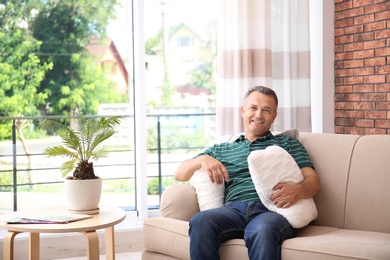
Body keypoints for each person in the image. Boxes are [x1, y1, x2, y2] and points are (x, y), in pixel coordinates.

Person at [174, 86, 321, 260]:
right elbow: (179, 174)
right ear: (243, 111)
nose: (258, 115)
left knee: (262, 229)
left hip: (271, 211)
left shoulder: (288, 144)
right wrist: (202, 159)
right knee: (201, 221)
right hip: (232, 211)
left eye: (266, 110)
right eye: (253, 108)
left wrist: (299, 191)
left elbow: (313, 180)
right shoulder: (222, 149)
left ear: (274, 116)